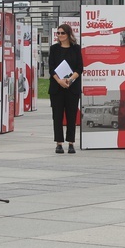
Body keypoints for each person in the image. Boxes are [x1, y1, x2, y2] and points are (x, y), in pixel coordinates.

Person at [48, 24, 82, 154]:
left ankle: (71, 143)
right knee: (57, 116)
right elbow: (51, 68)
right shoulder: (54, 49)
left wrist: (70, 79)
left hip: (72, 87)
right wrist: (59, 81)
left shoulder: (76, 49)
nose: (60, 35)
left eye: (62, 33)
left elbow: (80, 67)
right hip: (57, 87)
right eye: (58, 33)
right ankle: (59, 143)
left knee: (71, 116)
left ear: (68, 34)